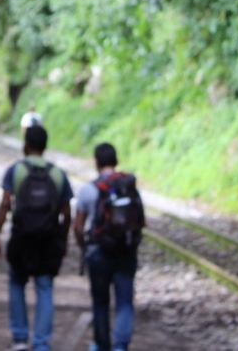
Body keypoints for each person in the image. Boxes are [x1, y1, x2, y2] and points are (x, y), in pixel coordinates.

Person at [0, 126, 73, 351]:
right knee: (44, 286)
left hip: (21, 237)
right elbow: (66, 212)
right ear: (45, 146)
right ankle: (41, 343)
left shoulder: (15, 171)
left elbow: (6, 204)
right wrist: (63, 240)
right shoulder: (58, 174)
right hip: (48, 238)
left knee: (17, 282)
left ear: (25, 144)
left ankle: (19, 339)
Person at [73, 143, 144, 351]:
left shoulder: (88, 190)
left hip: (98, 252)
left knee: (100, 301)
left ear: (96, 163)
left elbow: (77, 226)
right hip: (125, 251)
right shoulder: (130, 188)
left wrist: (84, 247)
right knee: (124, 301)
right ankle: (120, 345)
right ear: (116, 161)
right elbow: (140, 221)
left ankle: (102, 344)